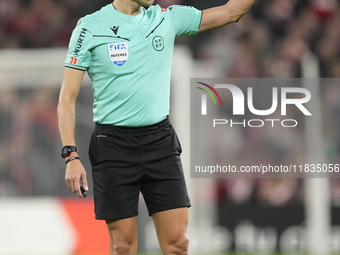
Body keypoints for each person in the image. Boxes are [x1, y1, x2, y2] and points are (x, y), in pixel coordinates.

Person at [57, 0, 255, 254]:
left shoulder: (166, 18)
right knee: (123, 246)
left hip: (159, 141)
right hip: (113, 146)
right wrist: (70, 155)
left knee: (178, 243)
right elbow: (66, 99)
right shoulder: (89, 27)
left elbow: (231, 12)